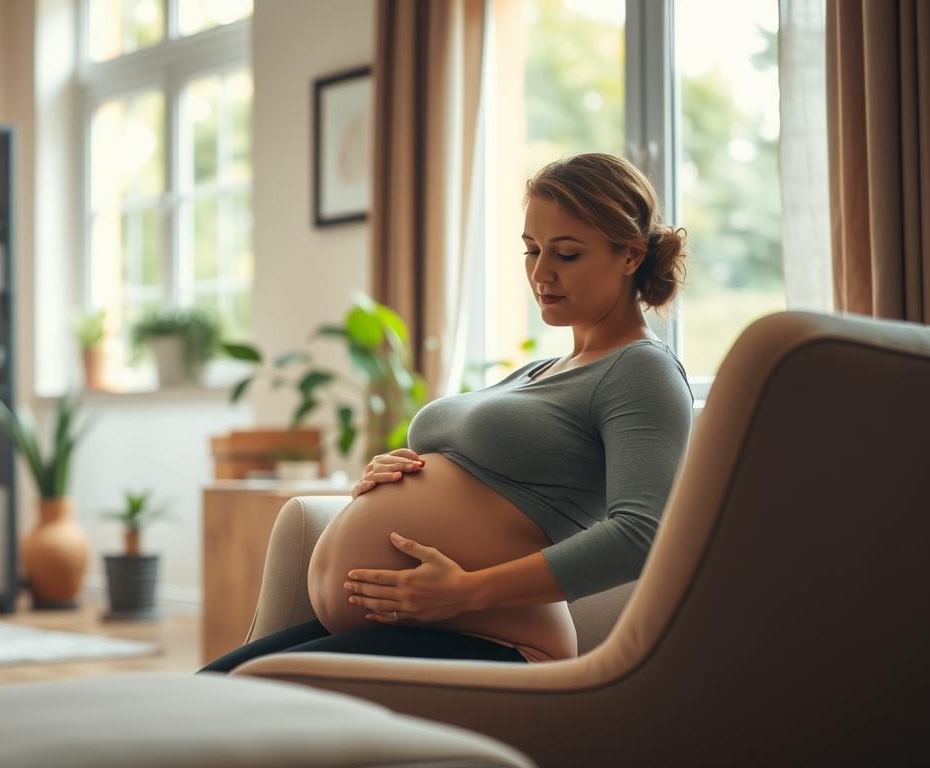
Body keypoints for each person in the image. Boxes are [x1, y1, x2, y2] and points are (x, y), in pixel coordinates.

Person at [199, 153, 693, 674]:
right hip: (416, 624)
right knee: (206, 689)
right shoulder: (541, 370)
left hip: (490, 639)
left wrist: (465, 592)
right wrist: (395, 470)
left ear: (631, 256)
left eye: (567, 254)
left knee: (225, 703)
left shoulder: (641, 370)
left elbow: (640, 533)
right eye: (530, 251)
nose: (541, 273)